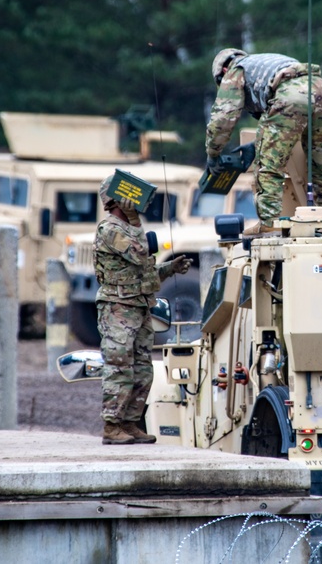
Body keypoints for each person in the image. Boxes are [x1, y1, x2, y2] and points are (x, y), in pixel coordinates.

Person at [94, 175, 191, 445]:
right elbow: (139, 253)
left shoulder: (128, 229)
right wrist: (135, 221)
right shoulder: (110, 229)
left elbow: (143, 274)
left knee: (142, 369)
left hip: (138, 307)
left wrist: (170, 268)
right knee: (120, 368)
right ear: (115, 201)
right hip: (118, 308)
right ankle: (112, 426)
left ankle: (130, 422)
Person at [205, 48, 322, 235]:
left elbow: (223, 119)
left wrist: (213, 154)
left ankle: (268, 222)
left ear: (222, 71)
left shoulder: (235, 71)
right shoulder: (263, 63)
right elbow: (280, 126)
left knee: (268, 163)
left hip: (291, 94)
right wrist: (255, 144)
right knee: (321, 157)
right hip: (321, 88)